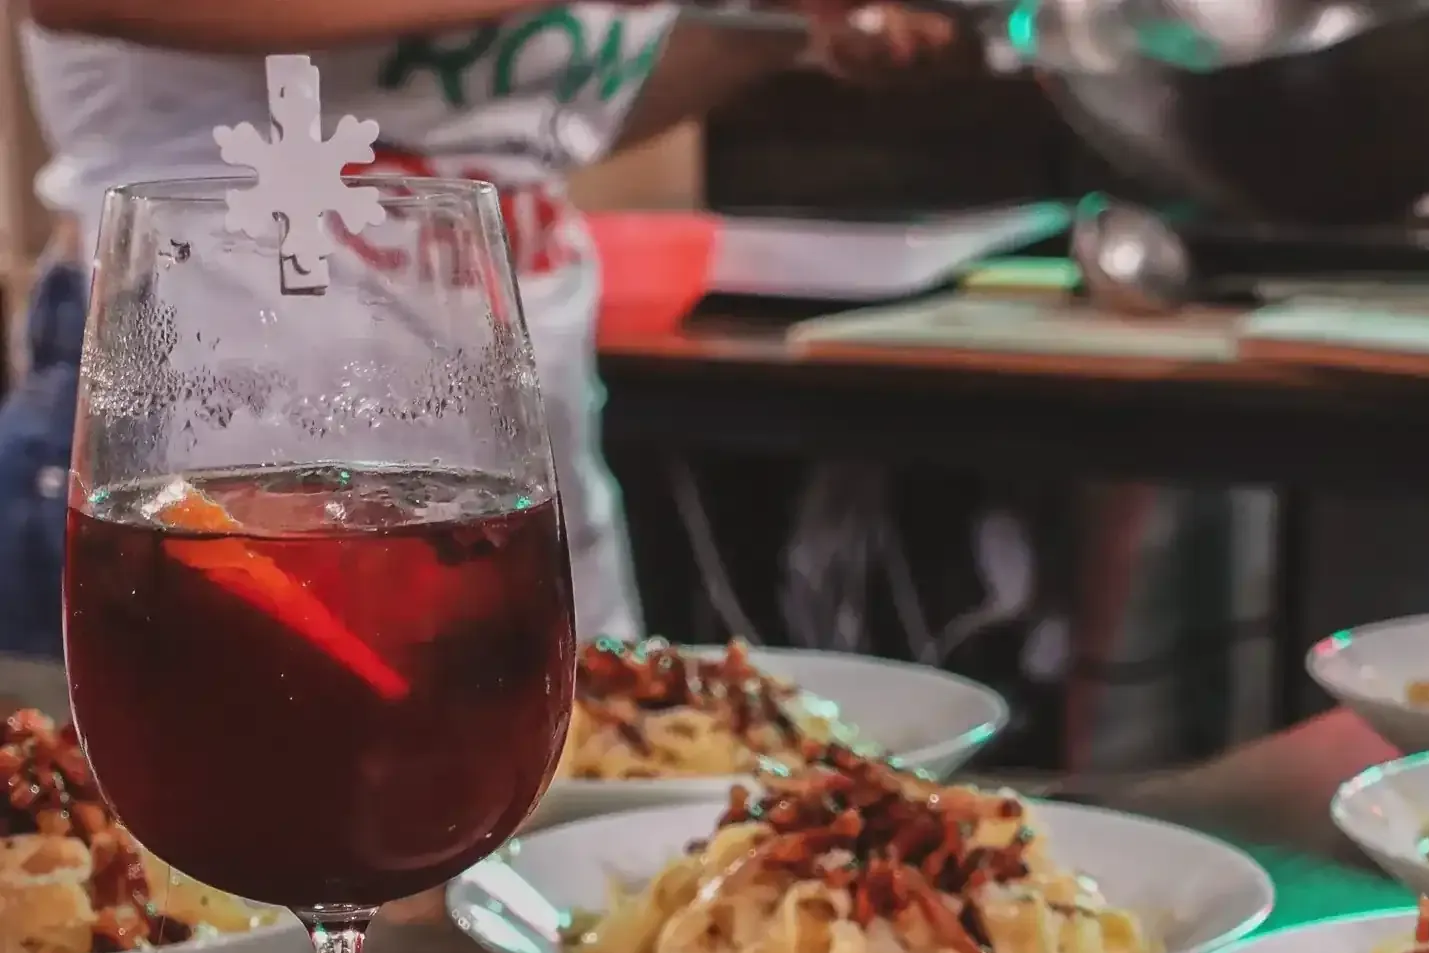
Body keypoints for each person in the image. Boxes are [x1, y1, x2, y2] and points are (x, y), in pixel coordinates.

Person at [4, 0, 958, 653]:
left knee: (528, 843)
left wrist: (778, 32)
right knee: (239, 879)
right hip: (215, 425)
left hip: (514, 439)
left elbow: (519, 123)